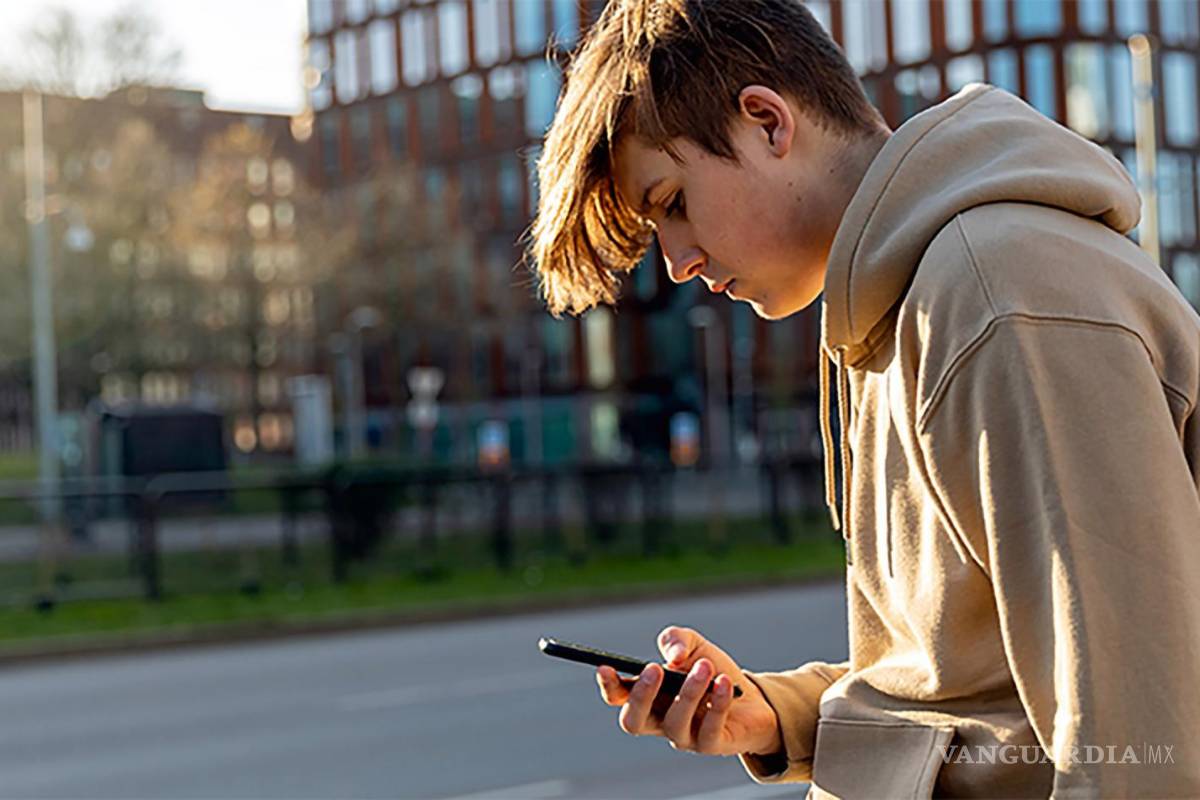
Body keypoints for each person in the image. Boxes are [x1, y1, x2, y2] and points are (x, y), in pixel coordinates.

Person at [526, 0, 1200, 797]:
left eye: (672, 202)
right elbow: (971, 684)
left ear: (767, 122)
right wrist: (775, 714)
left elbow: (1140, 744)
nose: (677, 262)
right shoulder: (900, 310)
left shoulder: (998, 295)